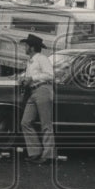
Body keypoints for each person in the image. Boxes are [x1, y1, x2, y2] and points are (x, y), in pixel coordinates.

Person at [18, 33, 55, 164]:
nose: (25, 48)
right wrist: (23, 78)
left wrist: (31, 78)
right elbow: (31, 75)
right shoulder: (32, 61)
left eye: (26, 45)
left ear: (32, 47)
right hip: (33, 92)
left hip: (43, 90)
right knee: (25, 122)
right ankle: (35, 152)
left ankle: (48, 155)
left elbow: (50, 75)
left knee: (46, 124)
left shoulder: (42, 58)